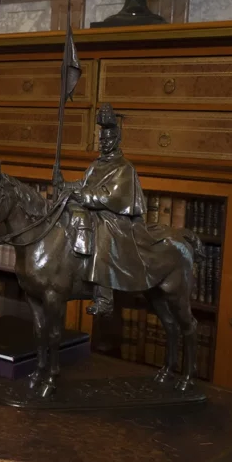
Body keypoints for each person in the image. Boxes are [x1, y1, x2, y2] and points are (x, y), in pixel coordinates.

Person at [61, 104, 148, 316]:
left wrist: (85, 196)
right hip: (93, 209)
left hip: (114, 216)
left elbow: (112, 196)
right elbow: (85, 184)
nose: (104, 144)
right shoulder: (96, 164)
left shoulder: (124, 167)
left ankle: (104, 298)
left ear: (117, 140)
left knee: (103, 235)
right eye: (102, 140)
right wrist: (64, 185)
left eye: (109, 140)